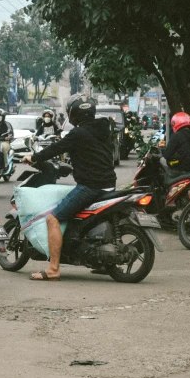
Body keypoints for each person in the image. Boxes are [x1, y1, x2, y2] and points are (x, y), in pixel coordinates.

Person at [22, 94, 116, 281]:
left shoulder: (77, 134)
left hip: (91, 186)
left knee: (53, 219)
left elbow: (56, 148)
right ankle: (104, 262)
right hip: (108, 184)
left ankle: (53, 269)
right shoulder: (105, 128)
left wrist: (34, 157)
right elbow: (91, 153)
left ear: (73, 113)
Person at [159, 112, 190, 180]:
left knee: (162, 160)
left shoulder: (177, 136)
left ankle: (169, 182)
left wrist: (162, 148)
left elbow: (167, 155)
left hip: (181, 170)